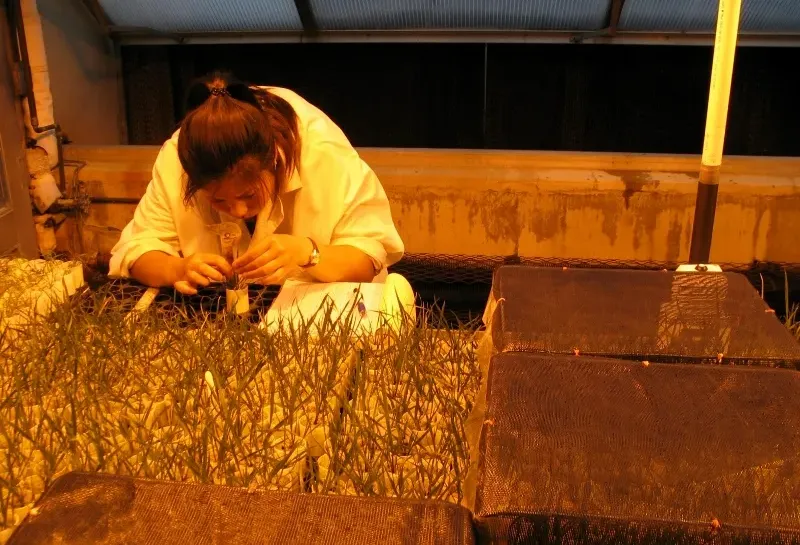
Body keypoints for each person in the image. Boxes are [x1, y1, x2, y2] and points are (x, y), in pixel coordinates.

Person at [109, 71, 404, 294]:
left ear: (274, 160)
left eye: (248, 195)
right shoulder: (178, 157)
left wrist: (308, 253)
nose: (238, 212)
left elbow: (370, 256)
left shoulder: (322, 152)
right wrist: (176, 268)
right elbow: (136, 250)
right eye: (218, 199)